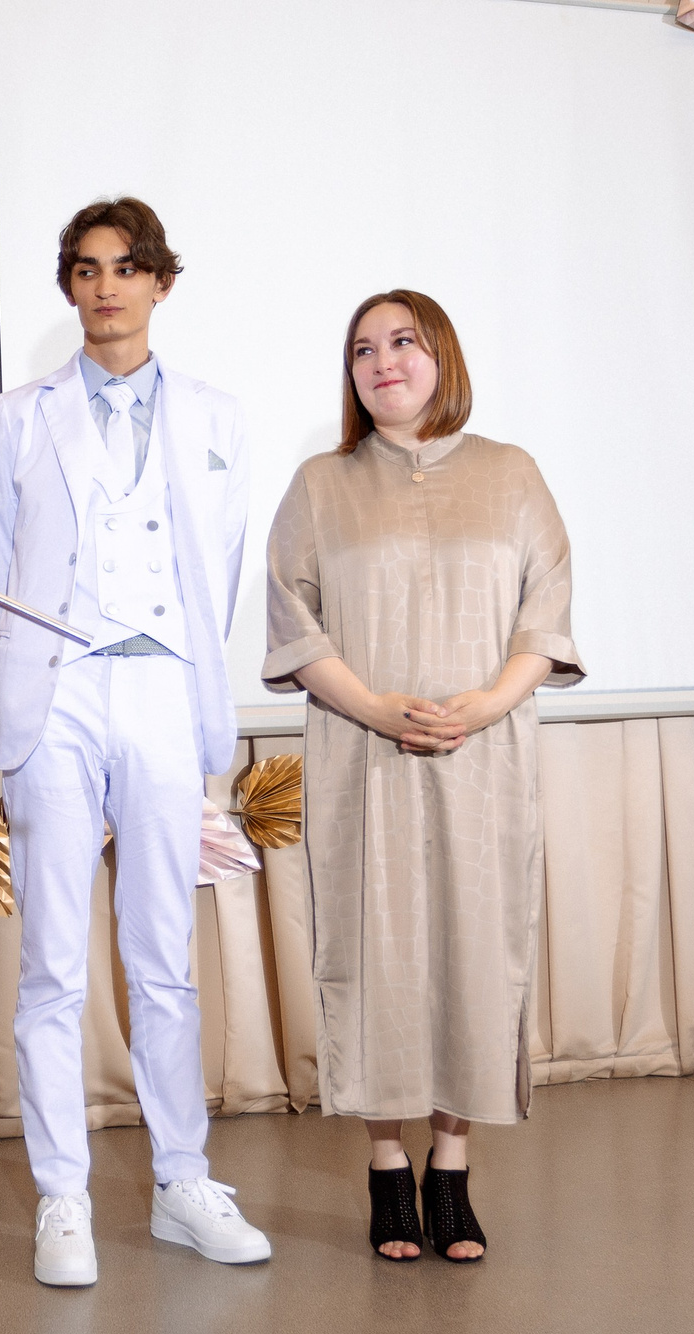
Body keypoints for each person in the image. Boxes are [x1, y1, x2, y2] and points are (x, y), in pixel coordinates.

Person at [0, 198, 273, 1287]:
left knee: (163, 961)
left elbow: (217, 570)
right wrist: (16, 705)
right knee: (51, 960)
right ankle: (62, 1199)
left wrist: (189, 679)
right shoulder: (19, 416)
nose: (105, 287)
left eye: (125, 268)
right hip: (57, 695)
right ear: (69, 287)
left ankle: (183, 1181)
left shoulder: (215, 416)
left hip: (159, 687)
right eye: (87, 270)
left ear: (159, 284)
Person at [262, 290, 581, 1263]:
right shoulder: (321, 485)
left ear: (441, 355)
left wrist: (483, 706)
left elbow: (545, 614)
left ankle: (452, 1167)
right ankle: (386, 1169)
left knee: (474, 952)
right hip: (366, 759)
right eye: (362, 348)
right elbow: (293, 623)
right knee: (377, 953)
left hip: (484, 757)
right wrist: (375, 707)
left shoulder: (512, 475)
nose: (382, 361)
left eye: (402, 341)